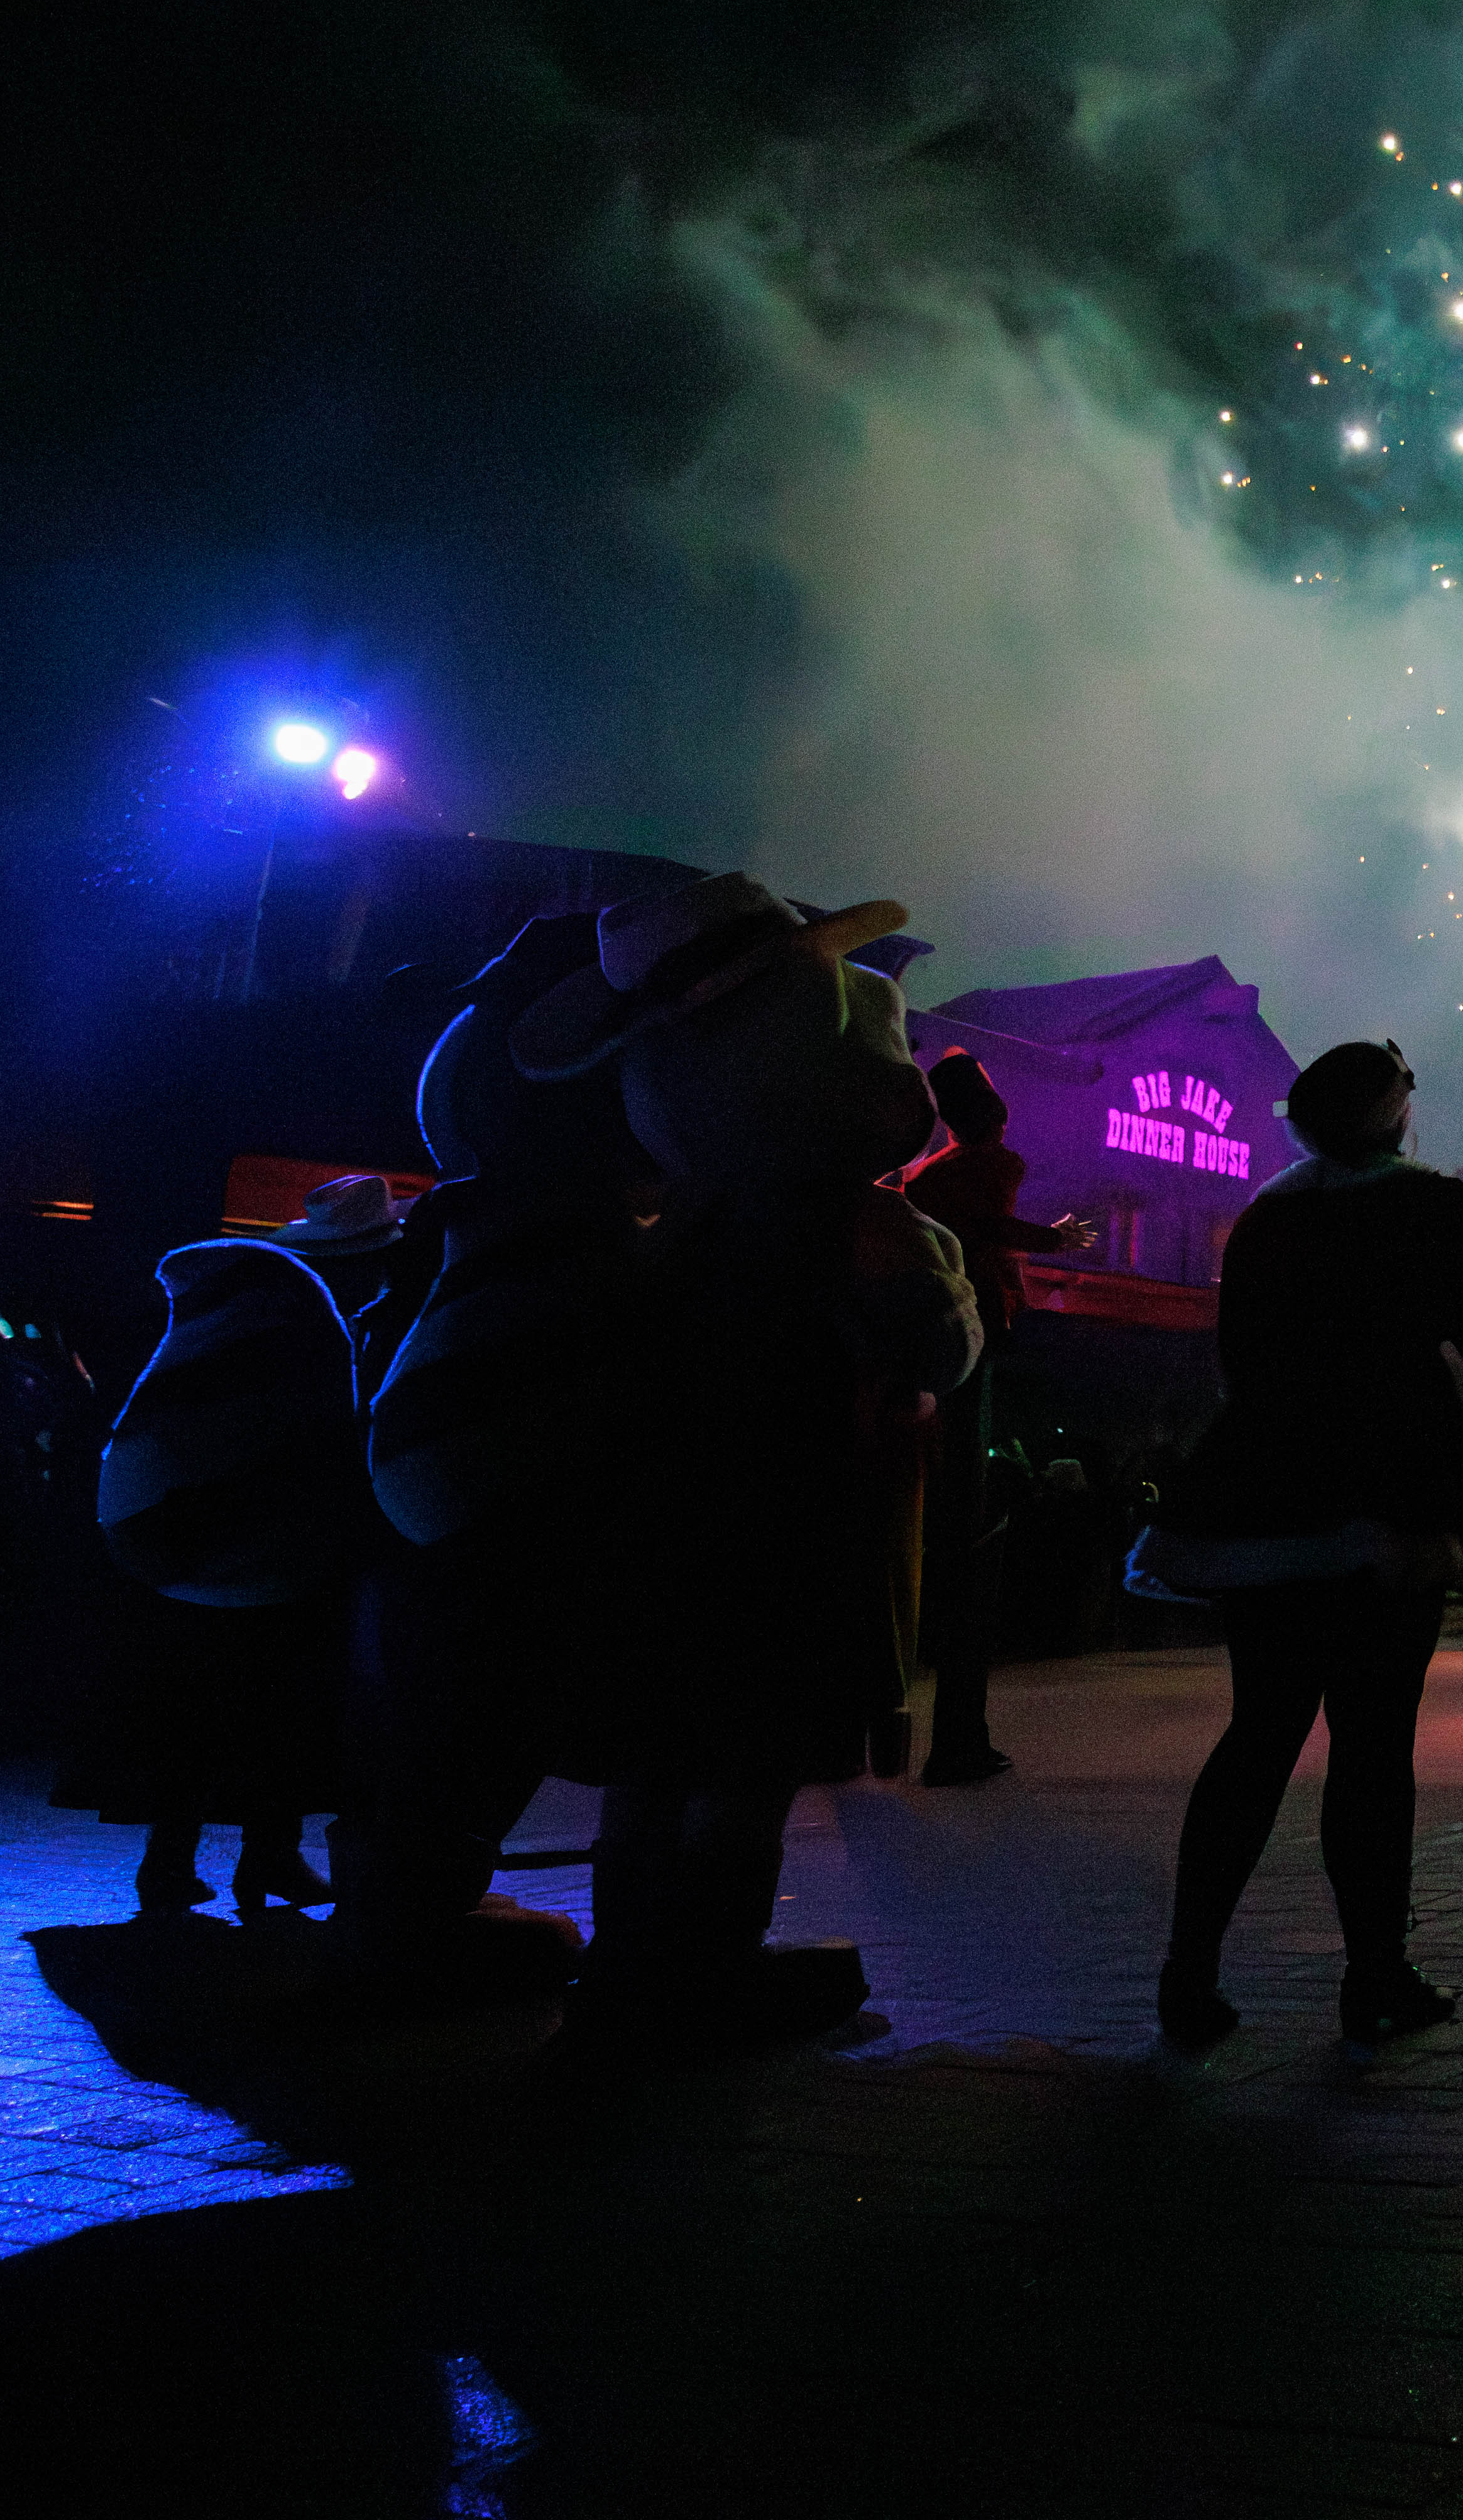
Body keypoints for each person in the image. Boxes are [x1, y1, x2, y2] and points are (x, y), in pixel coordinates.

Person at [513, 873, 979, 2054]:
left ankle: (627, 1971)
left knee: (655, 1761)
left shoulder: (670, 1228)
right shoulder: (859, 1225)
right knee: (746, 1768)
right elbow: (939, 1345)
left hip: (657, 1529)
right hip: (786, 1526)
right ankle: (709, 1973)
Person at [1142, 1039, 1463, 2051]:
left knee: (1257, 1734)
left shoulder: (1266, 1216)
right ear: (1396, 1113)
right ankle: (1375, 1975)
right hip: (1394, 1488)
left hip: (1266, 1488)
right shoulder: (1431, 1202)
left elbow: (1236, 1362)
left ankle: (1188, 1973)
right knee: (1373, 1745)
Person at [339, 916, 637, 2000]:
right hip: (513, 1504)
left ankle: (392, 1905)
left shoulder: (446, 1220)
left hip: (414, 1502)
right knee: (488, 1706)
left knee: (427, 1706)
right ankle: (417, 1921)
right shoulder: (578, 1228)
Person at [58, 1234, 376, 1918]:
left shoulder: (183, 1366)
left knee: (195, 1724)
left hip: (185, 1580)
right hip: (278, 1577)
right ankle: (265, 1858)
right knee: (278, 1720)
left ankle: (173, 1863)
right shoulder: (299, 1355)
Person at [899, 1052, 1077, 1785]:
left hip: (916, 1348)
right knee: (968, 1538)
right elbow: (991, 1225)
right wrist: (1053, 1238)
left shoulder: (917, 1177)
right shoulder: (994, 1162)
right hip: (971, 1335)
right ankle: (959, 1739)